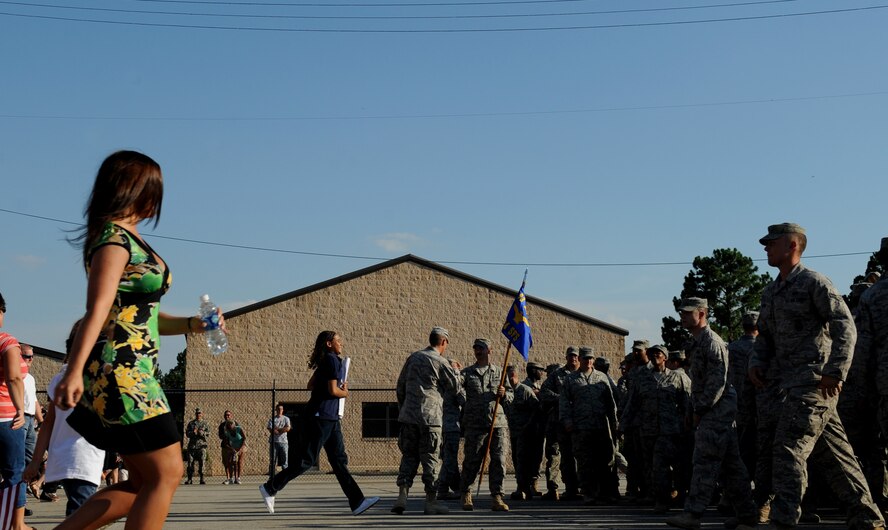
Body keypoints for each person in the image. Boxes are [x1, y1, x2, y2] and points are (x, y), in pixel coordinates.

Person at [53, 150, 225, 530]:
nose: (157, 201)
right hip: (122, 375)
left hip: (135, 372)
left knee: (146, 481)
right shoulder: (113, 242)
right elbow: (97, 310)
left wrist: (194, 325)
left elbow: (140, 318)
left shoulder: (128, 238)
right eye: (154, 191)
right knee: (168, 472)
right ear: (134, 190)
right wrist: (74, 372)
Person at [749, 223, 885, 530]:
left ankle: (783, 519)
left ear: (793, 245)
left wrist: (835, 371)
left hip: (814, 384)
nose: (765, 248)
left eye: (772, 243)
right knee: (834, 454)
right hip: (789, 386)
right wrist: (756, 362)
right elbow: (765, 337)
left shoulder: (814, 283)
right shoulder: (771, 292)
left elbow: (845, 326)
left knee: (788, 448)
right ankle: (867, 515)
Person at [259, 331, 380, 516]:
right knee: (306, 460)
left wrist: (333, 388)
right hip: (321, 417)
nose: (342, 343)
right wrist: (345, 392)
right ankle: (270, 488)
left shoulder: (326, 361)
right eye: (338, 340)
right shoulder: (332, 360)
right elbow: (333, 391)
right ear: (329, 344)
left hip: (330, 418)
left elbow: (310, 385)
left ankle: (357, 502)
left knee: (339, 461)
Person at [666, 298, 756, 530]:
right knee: (732, 466)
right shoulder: (696, 343)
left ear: (702, 313)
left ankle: (693, 514)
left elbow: (717, 383)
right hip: (712, 411)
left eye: (687, 313)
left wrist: (700, 410)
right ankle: (747, 515)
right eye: (681, 313)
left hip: (717, 411)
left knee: (704, 461)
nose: (682, 317)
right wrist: (691, 409)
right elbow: (698, 383)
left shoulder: (712, 342)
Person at [23, 321, 106, 517]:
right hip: (83, 459)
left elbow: (48, 423)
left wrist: (35, 462)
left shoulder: (60, 378)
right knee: (81, 518)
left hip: (63, 459)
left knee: (79, 516)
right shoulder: (93, 379)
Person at [392, 327, 460, 515]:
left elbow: (400, 387)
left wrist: (404, 411)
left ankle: (402, 497)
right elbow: (454, 389)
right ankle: (431, 501)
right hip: (430, 419)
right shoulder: (441, 361)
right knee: (431, 459)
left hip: (409, 418)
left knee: (409, 457)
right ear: (444, 342)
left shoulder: (413, 358)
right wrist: (456, 371)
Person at [620, 344, 691, 513]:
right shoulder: (642, 379)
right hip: (649, 430)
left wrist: (688, 425)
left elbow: (687, 404)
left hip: (671, 430)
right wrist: (623, 424)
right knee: (655, 466)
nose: (654, 356)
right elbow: (632, 404)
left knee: (675, 465)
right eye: (652, 354)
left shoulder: (677, 378)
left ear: (665, 357)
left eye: (658, 353)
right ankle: (660, 498)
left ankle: (678, 496)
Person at [459, 338, 512, 512]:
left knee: (499, 460)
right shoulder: (467, 373)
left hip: (497, 424)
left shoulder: (500, 372)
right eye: (476, 348)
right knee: (472, 460)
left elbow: (512, 396)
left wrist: (504, 393)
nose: (478, 351)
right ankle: (466, 492)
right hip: (475, 424)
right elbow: (456, 391)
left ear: (490, 350)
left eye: (481, 348)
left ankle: (497, 496)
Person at [561, 346, 618, 506]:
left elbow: (610, 403)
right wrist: (567, 421)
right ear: (579, 359)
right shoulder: (571, 379)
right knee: (585, 462)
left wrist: (614, 423)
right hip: (581, 427)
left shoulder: (602, 378)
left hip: (600, 426)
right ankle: (588, 492)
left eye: (591, 358)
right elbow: (564, 402)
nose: (588, 361)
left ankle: (604, 492)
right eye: (585, 358)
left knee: (604, 460)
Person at [0, 291, 32, 530]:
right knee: (15, 474)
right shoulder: (7, 342)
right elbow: (13, 377)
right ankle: (17, 525)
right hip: (6, 418)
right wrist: (21, 409)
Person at [539, 346, 581, 501]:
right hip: (558, 422)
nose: (573, 358)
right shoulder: (557, 375)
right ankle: (553, 488)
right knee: (555, 455)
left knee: (578, 455)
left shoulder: (584, 374)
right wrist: (561, 398)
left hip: (578, 422)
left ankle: (577, 487)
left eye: (576, 356)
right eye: (570, 356)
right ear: (566, 357)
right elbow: (544, 392)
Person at [727, 312, 760, 478]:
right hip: (762, 405)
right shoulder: (763, 347)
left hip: (737, 404)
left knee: (741, 447)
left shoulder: (731, 348)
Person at [510, 361, 545, 500]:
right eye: (540, 370)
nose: (542, 373)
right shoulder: (517, 389)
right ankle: (523, 488)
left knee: (529, 459)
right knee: (519, 460)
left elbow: (537, 409)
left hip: (528, 432)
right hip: (516, 431)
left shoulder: (525, 390)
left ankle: (526, 487)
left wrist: (529, 424)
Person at [436, 358, 463, 501]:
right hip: (450, 426)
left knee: (448, 458)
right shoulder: (452, 384)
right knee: (450, 459)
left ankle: (445, 488)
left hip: (442, 426)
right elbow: (462, 398)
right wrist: (457, 376)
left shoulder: (440, 383)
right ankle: (448, 488)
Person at [20, 345, 43, 469]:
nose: (30, 359)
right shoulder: (15, 376)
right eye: (27, 356)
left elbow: (34, 401)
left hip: (30, 419)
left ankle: (22, 481)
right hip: (20, 417)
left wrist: (41, 421)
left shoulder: (30, 378)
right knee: (17, 454)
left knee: (31, 454)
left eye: (32, 357)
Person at [184, 408, 210, 485]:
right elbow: (187, 434)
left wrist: (202, 433)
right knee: (190, 463)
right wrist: (193, 432)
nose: (198, 415)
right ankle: (189, 479)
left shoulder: (205, 423)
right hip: (192, 446)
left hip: (201, 447)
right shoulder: (191, 423)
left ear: (202, 414)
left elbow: (208, 433)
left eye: (200, 413)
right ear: (195, 414)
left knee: (202, 462)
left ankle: (202, 478)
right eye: (197, 413)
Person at [267, 404, 291, 474]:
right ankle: (272, 475)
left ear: (283, 410)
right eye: (278, 409)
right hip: (274, 442)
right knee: (273, 459)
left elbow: (288, 428)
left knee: (285, 460)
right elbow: (271, 429)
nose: (279, 410)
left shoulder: (286, 419)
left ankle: (285, 474)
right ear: (276, 410)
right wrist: (282, 429)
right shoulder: (272, 419)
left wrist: (278, 429)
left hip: (284, 442)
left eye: (281, 409)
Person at [218, 410, 236, 484]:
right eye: (226, 415)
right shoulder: (222, 425)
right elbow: (220, 436)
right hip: (225, 446)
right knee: (226, 462)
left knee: (232, 462)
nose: (227, 416)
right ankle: (228, 478)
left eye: (228, 415)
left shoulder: (234, 424)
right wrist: (225, 435)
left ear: (231, 416)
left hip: (232, 446)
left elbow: (237, 434)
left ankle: (234, 478)